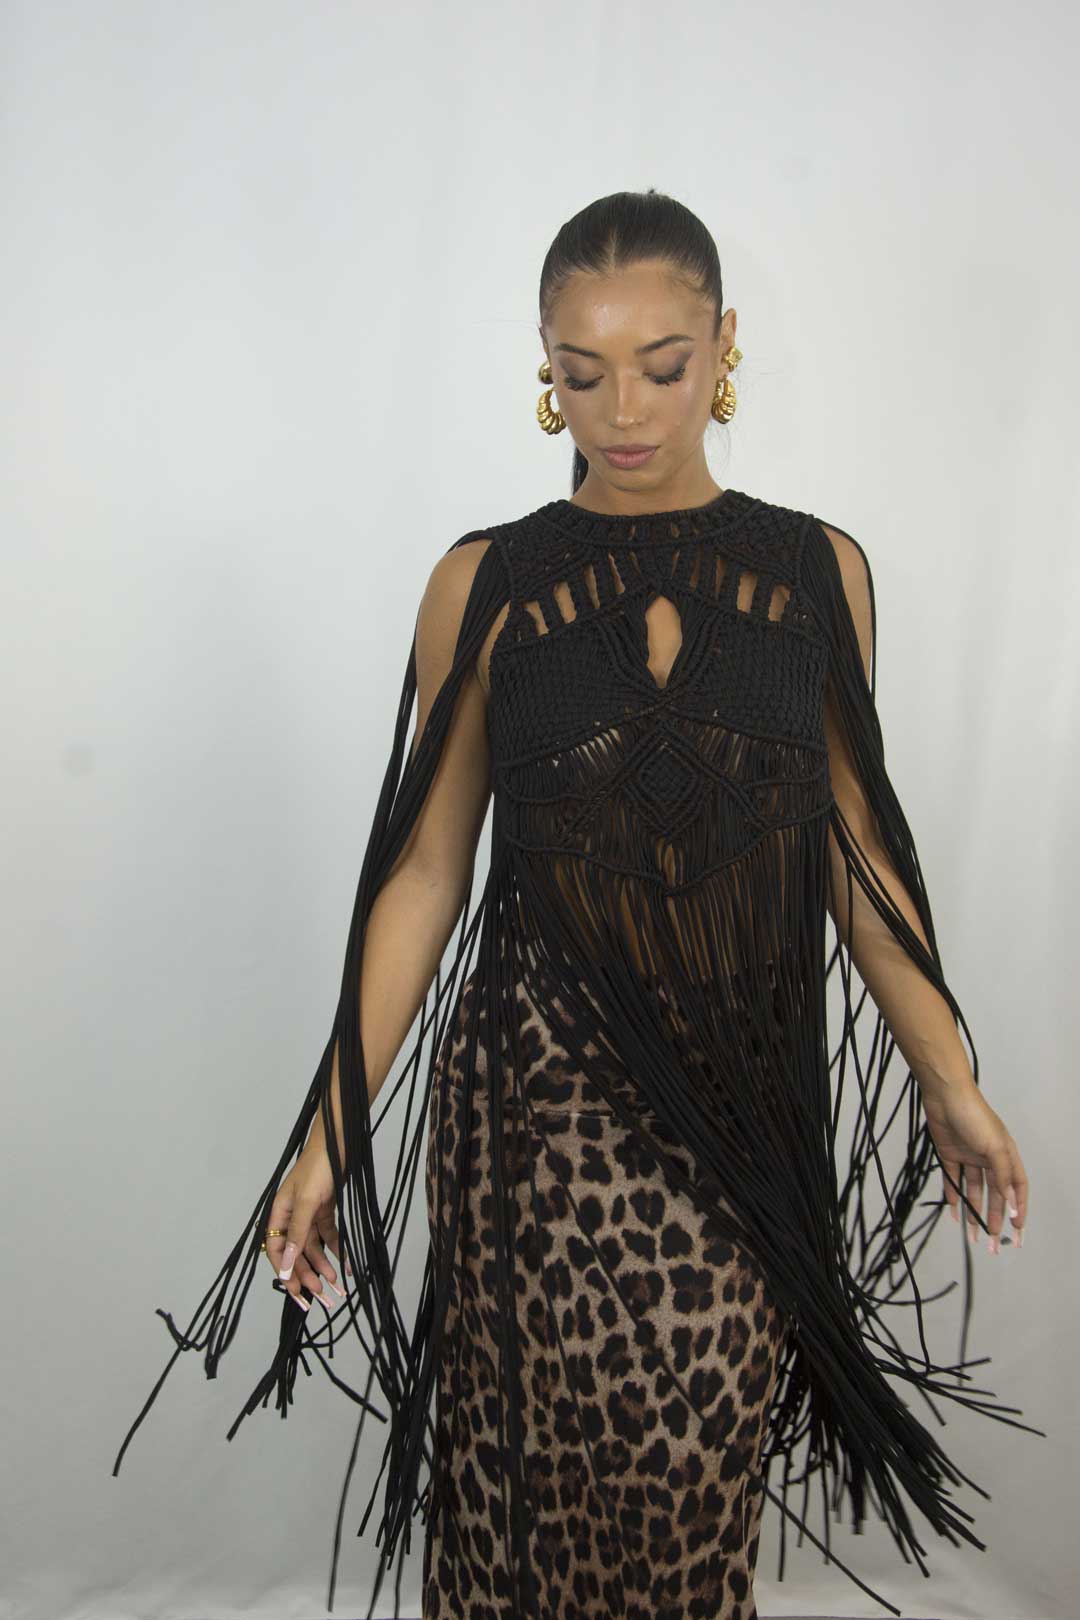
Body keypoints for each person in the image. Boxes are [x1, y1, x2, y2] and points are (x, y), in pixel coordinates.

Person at [114, 189, 1038, 1620]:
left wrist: (948, 1076)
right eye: (581, 370)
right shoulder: (485, 584)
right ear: (542, 367)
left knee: (687, 1499)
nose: (625, 410)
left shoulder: (816, 574)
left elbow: (857, 853)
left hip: (738, 1111)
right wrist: (331, 1132)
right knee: (519, 1511)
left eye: (663, 365)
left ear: (724, 347)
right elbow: (427, 873)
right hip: (533, 1117)